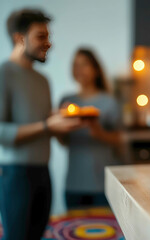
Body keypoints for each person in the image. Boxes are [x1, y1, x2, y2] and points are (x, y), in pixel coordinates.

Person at [0, 9, 84, 240]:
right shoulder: (4, 73)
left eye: (49, 37)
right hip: (15, 175)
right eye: (41, 36)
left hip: (43, 172)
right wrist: (47, 126)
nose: (49, 43)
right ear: (20, 38)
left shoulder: (43, 80)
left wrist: (58, 118)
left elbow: (40, 120)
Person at [59, 48, 122, 210]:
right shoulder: (66, 102)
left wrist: (99, 133)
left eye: (84, 64)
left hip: (102, 184)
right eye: (75, 65)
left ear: (96, 69)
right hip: (74, 183)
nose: (79, 69)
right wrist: (56, 126)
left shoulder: (109, 102)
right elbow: (64, 142)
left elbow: (120, 139)